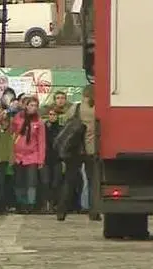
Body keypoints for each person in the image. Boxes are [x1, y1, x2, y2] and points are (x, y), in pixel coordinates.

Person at [57, 85, 101, 221]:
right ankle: (94, 212)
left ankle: (61, 212)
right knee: (93, 181)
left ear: (84, 94)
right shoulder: (97, 109)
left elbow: (65, 122)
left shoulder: (76, 108)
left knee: (69, 181)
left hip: (75, 149)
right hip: (91, 149)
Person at [11, 97, 46, 213]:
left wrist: (41, 159)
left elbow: (41, 141)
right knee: (19, 181)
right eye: (31, 105)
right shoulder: (18, 118)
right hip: (18, 155)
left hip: (32, 155)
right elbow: (12, 135)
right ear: (26, 106)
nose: (33, 108)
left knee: (31, 181)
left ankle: (31, 204)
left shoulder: (39, 122)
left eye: (35, 106)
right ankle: (21, 204)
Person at [40, 108, 63, 212]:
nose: (52, 116)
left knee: (56, 183)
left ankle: (54, 204)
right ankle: (46, 204)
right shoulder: (44, 128)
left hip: (57, 158)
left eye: (54, 114)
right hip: (45, 158)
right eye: (50, 114)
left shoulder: (61, 128)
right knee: (45, 182)